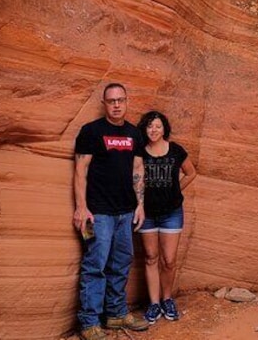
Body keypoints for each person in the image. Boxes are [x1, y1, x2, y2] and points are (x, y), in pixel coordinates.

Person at [73, 83, 150, 340]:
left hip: (126, 212)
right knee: (96, 265)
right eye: (111, 101)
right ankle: (89, 322)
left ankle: (116, 313)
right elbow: (80, 171)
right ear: (104, 103)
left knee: (121, 263)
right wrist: (81, 208)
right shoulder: (91, 131)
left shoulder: (134, 134)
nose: (116, 105)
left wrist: (140, 205)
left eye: (120, 100)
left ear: (127, 102)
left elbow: (138, 170)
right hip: (100, 212)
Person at [136, 110, 197, 324]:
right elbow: (136, 181)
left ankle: (167, 298)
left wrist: (176, 190)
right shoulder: (140, 152)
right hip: (148, 214)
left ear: (164, 129)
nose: (154, 130)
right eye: (150, 126)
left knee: (169, 260)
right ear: (145, 129)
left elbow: (191, 172)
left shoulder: (176, 150)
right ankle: (154, 304)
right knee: (151, 257)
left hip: (172, 212)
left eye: (158, 126)